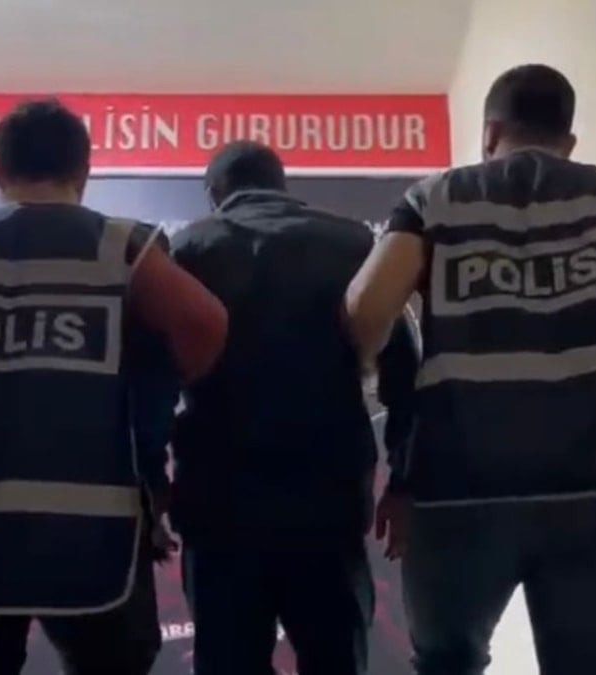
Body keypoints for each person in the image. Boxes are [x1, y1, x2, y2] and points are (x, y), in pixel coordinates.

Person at [344, 64, 596, 675]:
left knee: (447, 663)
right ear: (569, 141)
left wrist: (372, 375)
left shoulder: (434, 199)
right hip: (595, 484)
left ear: (489, 133)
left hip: (457, 486)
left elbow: (366, 308)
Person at [0, 99, 228, 675]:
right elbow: (205, 324)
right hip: (89, 537)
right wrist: (153, 386)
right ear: (83, 171)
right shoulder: (117, 246)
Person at [165, 141, 419, 675]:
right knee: (335, 661)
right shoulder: (353, 243)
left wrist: (147, 482)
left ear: (214, 194)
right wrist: (403, 480)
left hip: (220, 506)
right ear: (282, 186)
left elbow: (146, 377)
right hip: (327, 504)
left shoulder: (184, 250)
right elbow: (406, 369)